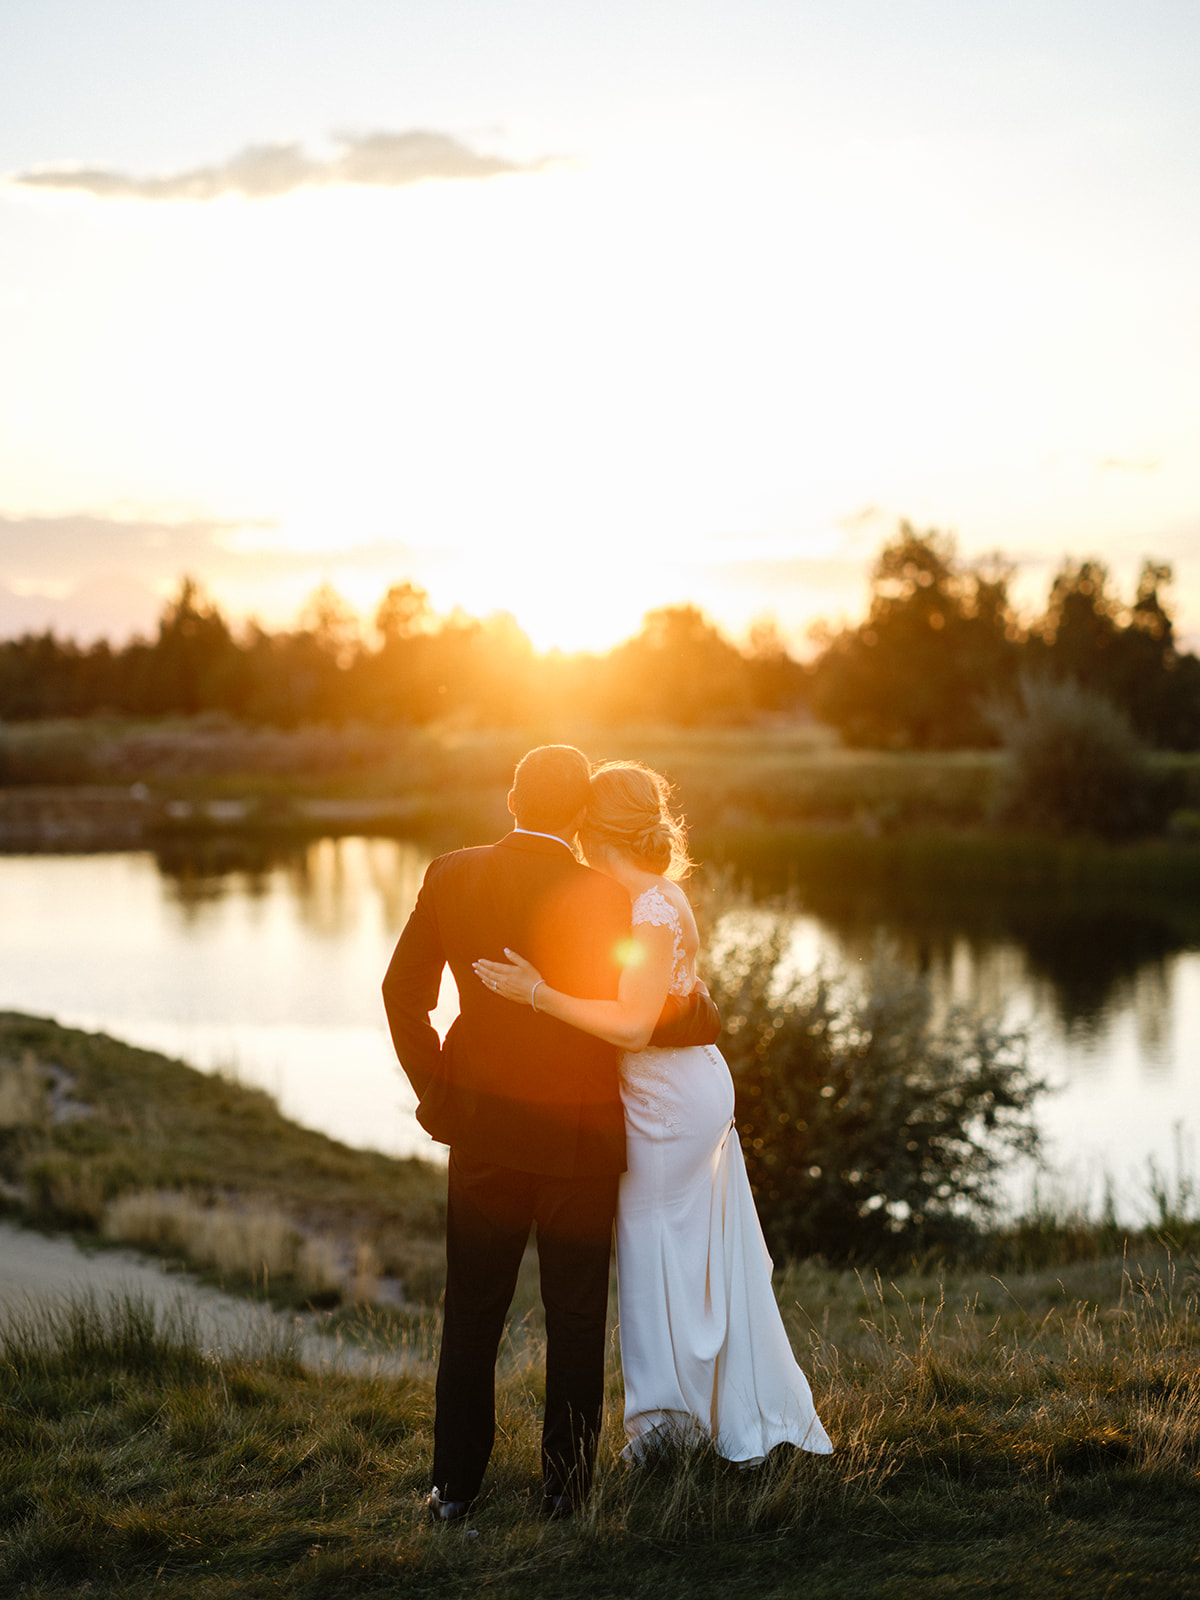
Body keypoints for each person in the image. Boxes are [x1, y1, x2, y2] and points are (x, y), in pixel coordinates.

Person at [381, 745, 722, 1523]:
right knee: (575, 1317)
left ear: (510, 797)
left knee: (471, 1311)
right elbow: (647, 1014)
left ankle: (454, 1490)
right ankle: (567, 1490)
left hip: (485, 1138)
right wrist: (705, 1012)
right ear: (575, 818)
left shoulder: (451, 873)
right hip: (581, 1140)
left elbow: (403, 994)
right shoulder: (611, 896)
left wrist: (439, 1096)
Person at [475, 761, 832, 1467]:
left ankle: (669, 1431)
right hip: (677, 1089)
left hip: (668, 1099)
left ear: (592, 829)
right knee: (682, 1254)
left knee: (654, 1255)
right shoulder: (653, 896)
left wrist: (537, 994)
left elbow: (634, 1026)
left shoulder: (650, 909)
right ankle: (695, 1414)